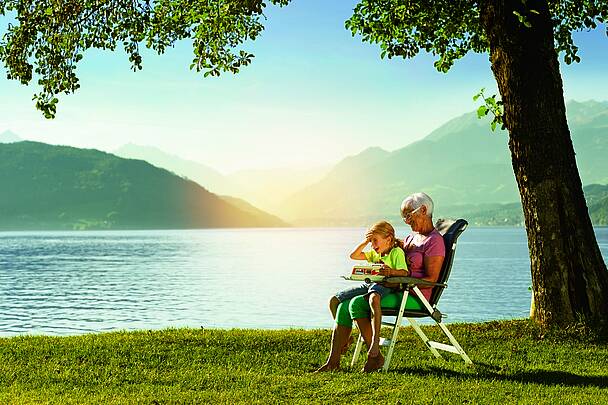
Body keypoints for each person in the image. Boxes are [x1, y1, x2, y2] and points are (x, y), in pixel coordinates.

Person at [316, 192, 445, 373]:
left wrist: (400, 280)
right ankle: (333, 362)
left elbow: (431, 280)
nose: (406, 221)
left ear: (423, 210)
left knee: (356, 304)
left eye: (408, 215)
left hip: (414, 294)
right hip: (395, 286)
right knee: (342, 305)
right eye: (404, 217)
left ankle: (375, 356)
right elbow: (389, 247)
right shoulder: (411, 238)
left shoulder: (435, 242)